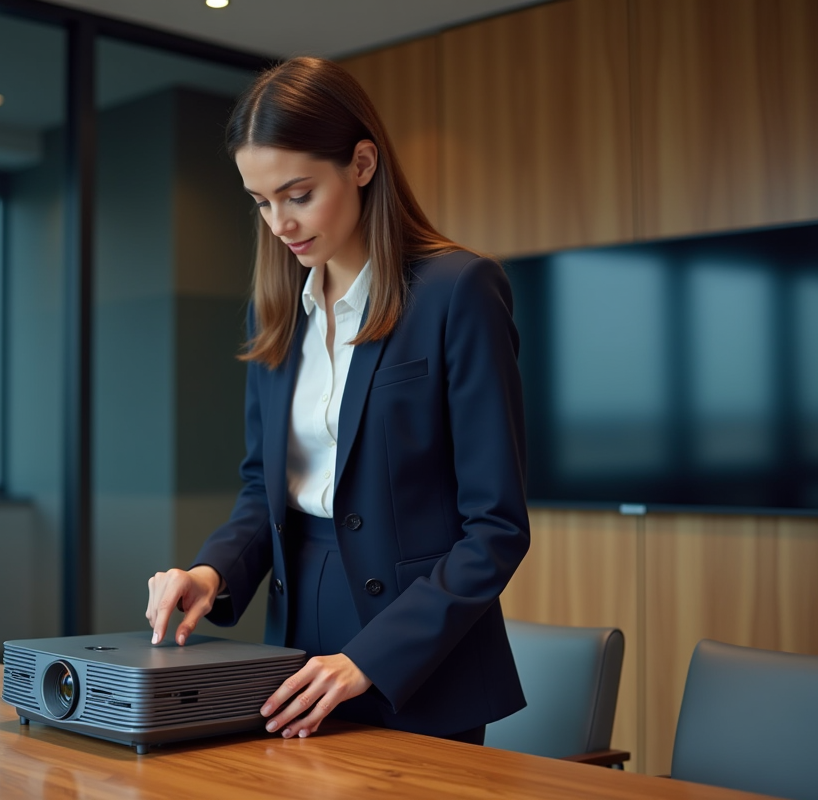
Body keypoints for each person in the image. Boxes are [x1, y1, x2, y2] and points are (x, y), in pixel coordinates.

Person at [145, 56, 530, 744]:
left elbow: (495, 528)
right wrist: (211, 572)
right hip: (296, 650)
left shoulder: (457, 291)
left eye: (297, 194)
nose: (279, 224)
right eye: (260, 202)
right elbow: (266, 488)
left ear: (361, 163)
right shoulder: (278, 313)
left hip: (421, 656)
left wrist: (370, 659)